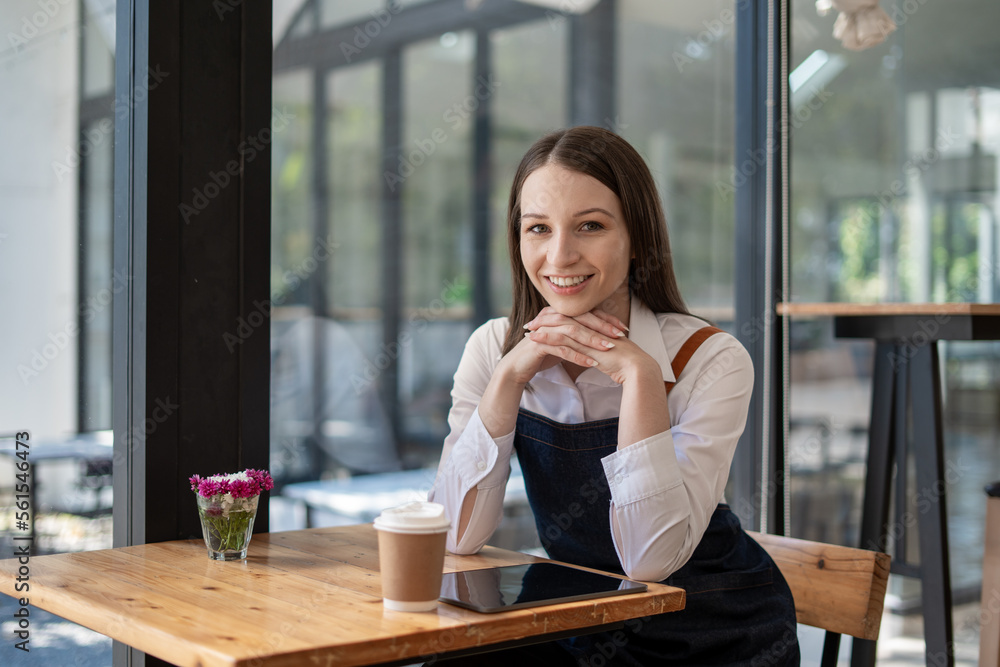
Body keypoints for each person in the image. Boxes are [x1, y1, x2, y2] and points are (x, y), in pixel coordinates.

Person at [429, 126, 799, 666]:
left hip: (715, 628)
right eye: (538, 228)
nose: (560, 255)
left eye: (591, 226)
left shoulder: (709, 358)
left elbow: (650, 561)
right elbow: (458, 536)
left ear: (637, 237)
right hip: (588, 617)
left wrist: (641, 377)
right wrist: (508, 379)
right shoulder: (493, 350)